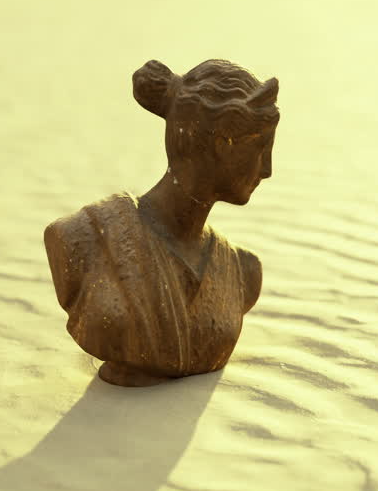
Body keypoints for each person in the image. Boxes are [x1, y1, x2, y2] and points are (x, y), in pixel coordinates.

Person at [44, 59, 279, 387]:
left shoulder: (243, 272)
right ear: (221, 144)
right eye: (260, 147)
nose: (267, 169)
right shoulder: (80, 238)